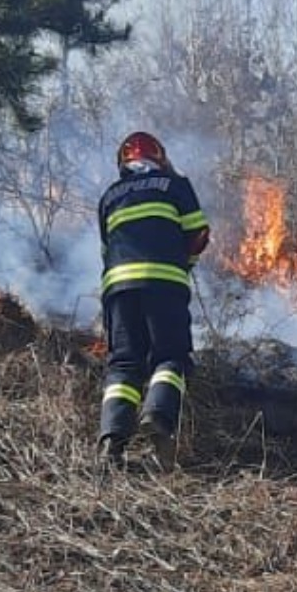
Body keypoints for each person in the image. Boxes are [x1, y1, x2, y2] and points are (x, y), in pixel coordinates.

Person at [96, 131, 210, 461]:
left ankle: (112, 441)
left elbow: (107, 249)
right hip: (164, 284)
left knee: (124, 363)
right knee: (170, 356)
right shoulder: (175, 185)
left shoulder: (109, 196)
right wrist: (183, 264)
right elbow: (198, 233)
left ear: (124, 164)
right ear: (160, 159)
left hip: (118, 289)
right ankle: (158, 417)